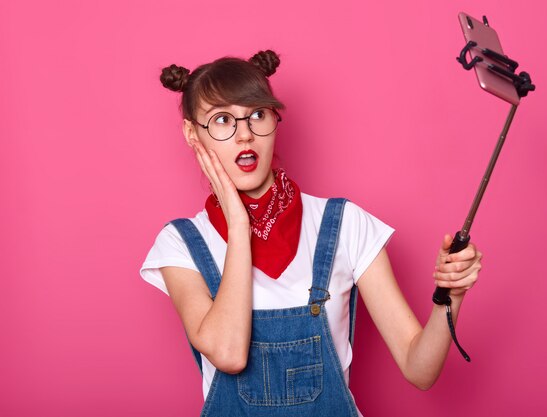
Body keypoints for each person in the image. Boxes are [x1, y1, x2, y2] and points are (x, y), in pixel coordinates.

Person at [140, 50, 482, 417]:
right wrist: (239, 226)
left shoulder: (346, 224)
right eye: (223, 120)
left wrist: (451, 294)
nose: (245, 135)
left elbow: (420, 370)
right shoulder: (182, 243)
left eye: (257, 114)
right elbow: (228, 354)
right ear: (193, 134)